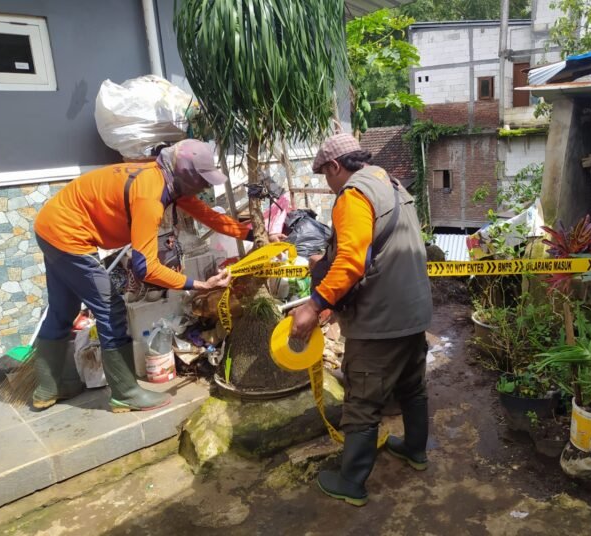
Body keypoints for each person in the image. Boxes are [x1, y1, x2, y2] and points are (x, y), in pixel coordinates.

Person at [32, 139, 260, 413]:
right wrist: (199, 284)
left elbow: (206, 214)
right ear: (186, 176)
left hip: (50, 226)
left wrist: (249, 233)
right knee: (111, 310)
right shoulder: (149, 197)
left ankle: (49, 388)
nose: (206, 187)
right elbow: (145, 267)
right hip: (68, 236)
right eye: (203, 180)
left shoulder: (165, 179)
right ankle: (125, 393)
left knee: (62, 309)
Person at [290, 133, 433, 506]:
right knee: (412, 387)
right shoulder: (391, 183)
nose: (328, 182)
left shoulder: (354, 194)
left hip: (380, 320)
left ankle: (351, 481)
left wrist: (313, 305)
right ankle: (415, 450)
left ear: (336, 167)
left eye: (324, 174)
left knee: (363, 400)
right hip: (415, 311)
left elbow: (353, 261)